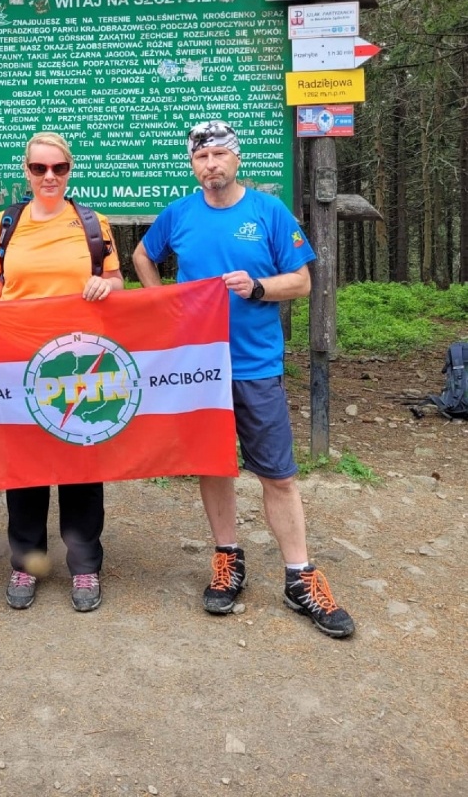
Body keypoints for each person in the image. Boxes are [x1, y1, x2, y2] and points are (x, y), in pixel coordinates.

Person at [132, 119, 355, 638]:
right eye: (200, 157)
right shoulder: (180, 214)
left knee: (278, 473)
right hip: (199, 368)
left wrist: (256, 288)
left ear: (236, 159)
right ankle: (227, 558)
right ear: (193, 165)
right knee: (215, 464)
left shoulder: (267, 212)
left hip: (255, 365)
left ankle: (299, 575)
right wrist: (161, 302)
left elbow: (301, 281)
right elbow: (144, 255)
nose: (210, 164)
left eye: (218, 155)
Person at [0, 131, 123, 613]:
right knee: (25, 467)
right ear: (26, 171)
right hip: (20, 361)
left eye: (58, 168)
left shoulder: (93, 223)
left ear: (70, 170)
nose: (49, 177)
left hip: (80, 363)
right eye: (38, 169)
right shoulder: (6, 224)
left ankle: (85, 566)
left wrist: (104, 284)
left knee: (80, 464)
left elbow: (115, 279)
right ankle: (27, 562)